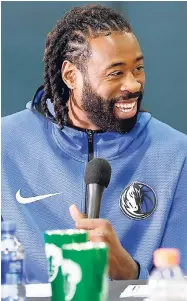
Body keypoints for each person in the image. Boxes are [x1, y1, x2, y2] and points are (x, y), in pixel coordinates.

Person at [1, 5, 187, 284]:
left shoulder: (176, 154)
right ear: (70, 76)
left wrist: (130, 273)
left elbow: (181, 280)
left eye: (138, 68)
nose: (134, 84)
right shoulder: (6, 144)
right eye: (116, 73)